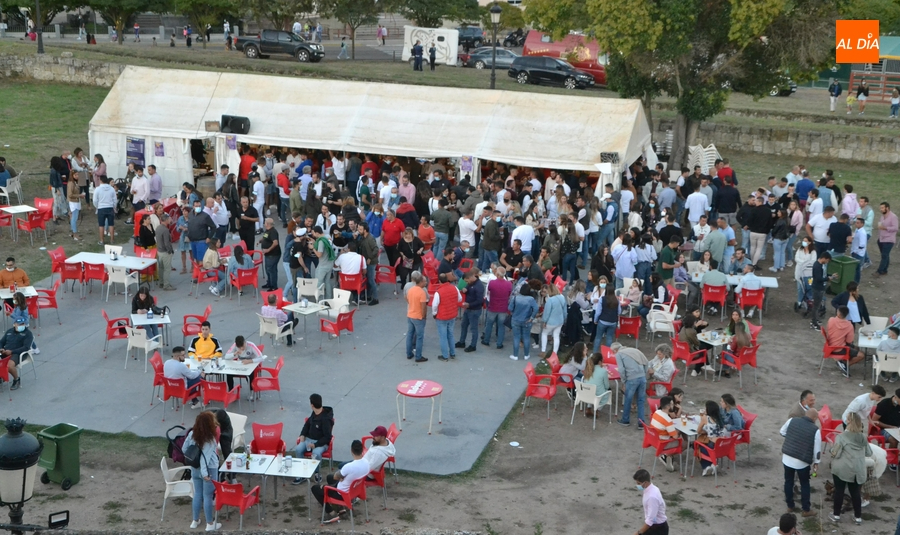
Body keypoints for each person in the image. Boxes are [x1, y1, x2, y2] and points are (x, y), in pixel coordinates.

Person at [311, 440, 369, 523]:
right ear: (362, 450)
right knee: (329, 477)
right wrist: (343, 477)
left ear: (351, 450)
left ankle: (331, 513)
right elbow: (335, 477)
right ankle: (341, 508)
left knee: (315, 488)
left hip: (341, 493)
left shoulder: (349, 466)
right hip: (355, 490)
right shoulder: (367, 463)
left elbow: (336, 476)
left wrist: (341, 477)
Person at [829, 412, 871, 525]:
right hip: (858, 470)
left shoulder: (841, 437)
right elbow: (869, 452)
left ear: (848, 421)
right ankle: (858, 517)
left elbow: (835, 454)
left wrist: (831, 448)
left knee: (839, 491)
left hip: (843, 469)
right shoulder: (863, 437)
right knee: (856, 493)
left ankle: (836, 515)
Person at [183, 411, 221, 531]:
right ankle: (210, 523)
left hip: (195, 468)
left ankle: (195, 521)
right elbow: (206, 458)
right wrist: (205, 474)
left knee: (197, 494)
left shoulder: (192, 434)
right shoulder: (210, 439)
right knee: (208, 496)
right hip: (208, 470)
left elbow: (184, 449)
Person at [780, 408, 821, 518]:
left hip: (787, 458)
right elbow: (817, 450)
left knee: (788, 481)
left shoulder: (791, 421)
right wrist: (816, 463)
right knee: (805, 484)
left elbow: (782, 432)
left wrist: (792, 439)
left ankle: (790, 505)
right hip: (802, 462)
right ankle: (806, 509)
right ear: (814, 418)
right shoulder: (815, 430)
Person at [293, 394, 334, 483]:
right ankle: (301, 474)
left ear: (312, 405)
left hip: (321, 443)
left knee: (316, 453)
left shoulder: (325, 419)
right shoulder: (314, 413)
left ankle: (317, 473)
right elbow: (307, 424)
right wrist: (302, 435)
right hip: (308, 439)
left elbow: (327, 437)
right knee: (298, 449)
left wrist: (315, 444)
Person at [614, 342, 649, 428]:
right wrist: (643, 373)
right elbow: (646, 362)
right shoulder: (635, 350)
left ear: (615, 350)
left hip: (631, 379)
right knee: (640, 401)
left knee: (628, 400)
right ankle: (641, 423)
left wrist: (624, 381)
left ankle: (625, 420)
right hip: (642, 378)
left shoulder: (619, 354)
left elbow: (621, 370)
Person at [826, 306, 866, 376]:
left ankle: (842, 362)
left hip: (829, 345)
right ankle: (845, 365)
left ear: (838, 313)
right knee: (861, 355)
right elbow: (849, 341)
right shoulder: (849, 325)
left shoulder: (831, 320)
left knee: (856, 348)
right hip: (840, 348)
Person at [432, 273, 461, 361]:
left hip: (442, 317)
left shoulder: (438, 292)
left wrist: (434, 314)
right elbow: (459, 299)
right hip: (452, 315)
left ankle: (445, 356)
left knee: (443, 336)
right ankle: (452, 353)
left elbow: (434, 306)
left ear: (440, 281)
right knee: (450, 334)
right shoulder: (454, 288)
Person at [696, 400, 729, 476]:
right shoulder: (720, 418)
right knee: (704, 445)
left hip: (712, 447)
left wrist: (705, 431)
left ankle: (706, 466)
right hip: (723, 447)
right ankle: (712, 465)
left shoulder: (706, 418)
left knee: (697, 447)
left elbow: (698, 430)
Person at [633, 468, 668, 535]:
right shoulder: (653, 488)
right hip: (655, 527)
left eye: (638, 483)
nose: (637, 485)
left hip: (657, 529)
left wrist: (638, 533)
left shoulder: (652, 497)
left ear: (645, 482)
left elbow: (651, 519)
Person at [0, 317, 32, 390]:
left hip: (18, 353)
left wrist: (12, 352)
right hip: (6, 351)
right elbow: (1, 342)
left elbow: (26, 347)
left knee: (9, 365)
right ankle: (1, 377)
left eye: (22, 324)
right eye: (19, 324)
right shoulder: (9, 332)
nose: (21, 325)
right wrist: (1, 348)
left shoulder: (28, 334)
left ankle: (16, 379)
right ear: (14, 324)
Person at [508, 284, 539, 361]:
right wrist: (532, 317)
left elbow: (510, 308)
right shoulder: (531, 299)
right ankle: (526, 355)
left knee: (516, 337)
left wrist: (513, 313)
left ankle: (515, 355)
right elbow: (536, 308)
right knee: (526, 337)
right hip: (527, 321)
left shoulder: (515, 298)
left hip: (515, 320)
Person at [457, 269, 485, 353]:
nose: (467, 283)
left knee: (474, 329)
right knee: (464, 325)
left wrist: (469, 305)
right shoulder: (470, 283)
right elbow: (467, 287)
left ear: (471, 277)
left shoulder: (479, 286)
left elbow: (480, 301)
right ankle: (462, 342)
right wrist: (465, 289)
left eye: (467, 281)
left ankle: (473, 345)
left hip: (474, 310)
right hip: (468, 308)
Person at [650, 396, 679, 472]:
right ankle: (667, 455)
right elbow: (675, 437)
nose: (673, 406)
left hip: (653, 439)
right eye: (672, 404)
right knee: (684, 443)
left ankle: (667, 456)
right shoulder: (667, 420)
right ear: (668, 406)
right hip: (663, 443)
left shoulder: (656, 412)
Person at [405, 271, 428, 363]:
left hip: (410, 315)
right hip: (418, 317)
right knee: (419, 337)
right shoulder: (422, 292)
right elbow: (424, 307)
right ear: (421, 282)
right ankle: (418, 356)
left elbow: (406, 298)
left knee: (410, 335)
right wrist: (424, 317)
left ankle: (409, 353)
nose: (426, 283)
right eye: (425, 282)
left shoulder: (410, 289)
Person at [540, 283, 567, 354]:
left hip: (550, 322)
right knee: (556, 336)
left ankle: (543, 351)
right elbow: (565, 310)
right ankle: (555, 353)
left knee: (544, 334)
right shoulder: (562, 297)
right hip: (560, 321)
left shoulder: (550, 300)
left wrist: (544, 321)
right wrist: (564, 319)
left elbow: (546, 312)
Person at [872, 388, 900, 454]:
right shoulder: (884, 404)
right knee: (894, 440)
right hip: (884, 429)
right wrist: (891, 427)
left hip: (897, 428)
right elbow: (874, 420)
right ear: (895, 397)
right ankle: (892, 460)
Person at [259, 218, 281, 291]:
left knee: (272, 270)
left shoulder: (273, 232)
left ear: (267, 224)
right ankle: (269, 282)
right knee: (268, 269)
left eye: (265, 222)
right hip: (268, 255)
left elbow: (275, 243)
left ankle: (273, 286)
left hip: (273, 254)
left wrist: (268, 249)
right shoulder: (268, 230)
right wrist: (260, 241)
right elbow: (265, 236)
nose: (264, 223)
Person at [155, 213, 176, 291]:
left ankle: (161, 282)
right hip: (165, 252)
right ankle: (166, 285)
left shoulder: (158, 228)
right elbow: (167, 243)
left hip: (159, 250)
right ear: (166, 220)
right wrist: (170, 251)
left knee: (161, 268)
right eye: (169, 219)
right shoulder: (165, 230)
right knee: (167, 269)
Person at [876, 202, 898, 276]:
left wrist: (885, 228)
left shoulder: (893, 217)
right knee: (885, 255)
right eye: (880, 208)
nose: (881, 209)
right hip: (881, 239)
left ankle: (879, 271)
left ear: (887, 208)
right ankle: (885, 270)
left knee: (884, 255)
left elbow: (895, 228)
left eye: (882, 208)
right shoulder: (882, 216)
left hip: (889, 239)